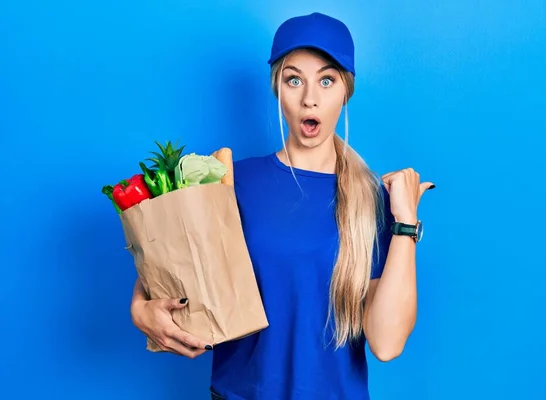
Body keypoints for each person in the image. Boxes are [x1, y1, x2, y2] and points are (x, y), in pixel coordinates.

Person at [130, 11, 435, 400]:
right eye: (295, 80)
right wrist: (139, 310)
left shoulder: (374, 201)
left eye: (327, 80)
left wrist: (405, 223)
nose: (310, 98)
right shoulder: (229, 181)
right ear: (278, 88)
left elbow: (387, 344)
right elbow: (166, 271)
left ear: (346, 92)